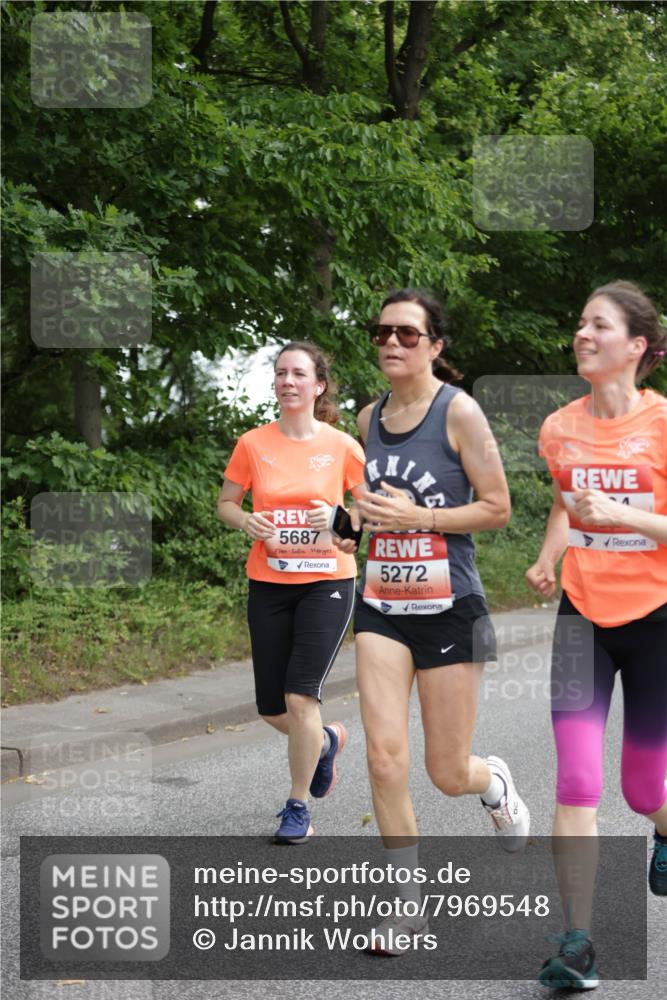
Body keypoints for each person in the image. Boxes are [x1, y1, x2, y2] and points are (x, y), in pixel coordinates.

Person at [339, 288, 530, 954]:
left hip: (450, 607)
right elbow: (363, 507)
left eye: (407, 333)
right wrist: (348, 525)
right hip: (382, 607)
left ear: (435, 346)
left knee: (447, 772)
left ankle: (494, 782)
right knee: (385, 760)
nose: (391, 342)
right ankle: (404, 905)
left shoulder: (460, 413)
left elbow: (498, 507)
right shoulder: (365, 419)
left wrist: (419, 517)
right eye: (381, 332)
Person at [526, 280, 667, 990]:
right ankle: (576, 942)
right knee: (576, 781)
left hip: (654, 622)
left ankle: (663, 829)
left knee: (643, 788)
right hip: (581, 617)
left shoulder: (664, 425)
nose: (581, 333)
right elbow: (564, 501)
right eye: (579, 322)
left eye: (598, 325)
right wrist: (550, 555)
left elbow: (617, 512)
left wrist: (623, 515)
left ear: (635, 346)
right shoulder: (559, 427)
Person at [217, 341, 366, 844]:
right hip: (269, 582)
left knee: (301, 696)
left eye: (298, 373)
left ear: (318, 385)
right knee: (271, 709)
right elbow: (226, 504)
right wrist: (246, 521)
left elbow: (367, 513)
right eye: (280, 373)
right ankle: (325, 743)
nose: (287, 381)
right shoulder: (252, 444)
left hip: (328, 581)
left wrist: (339, 518)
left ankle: (297, 806)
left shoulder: (343, 446)